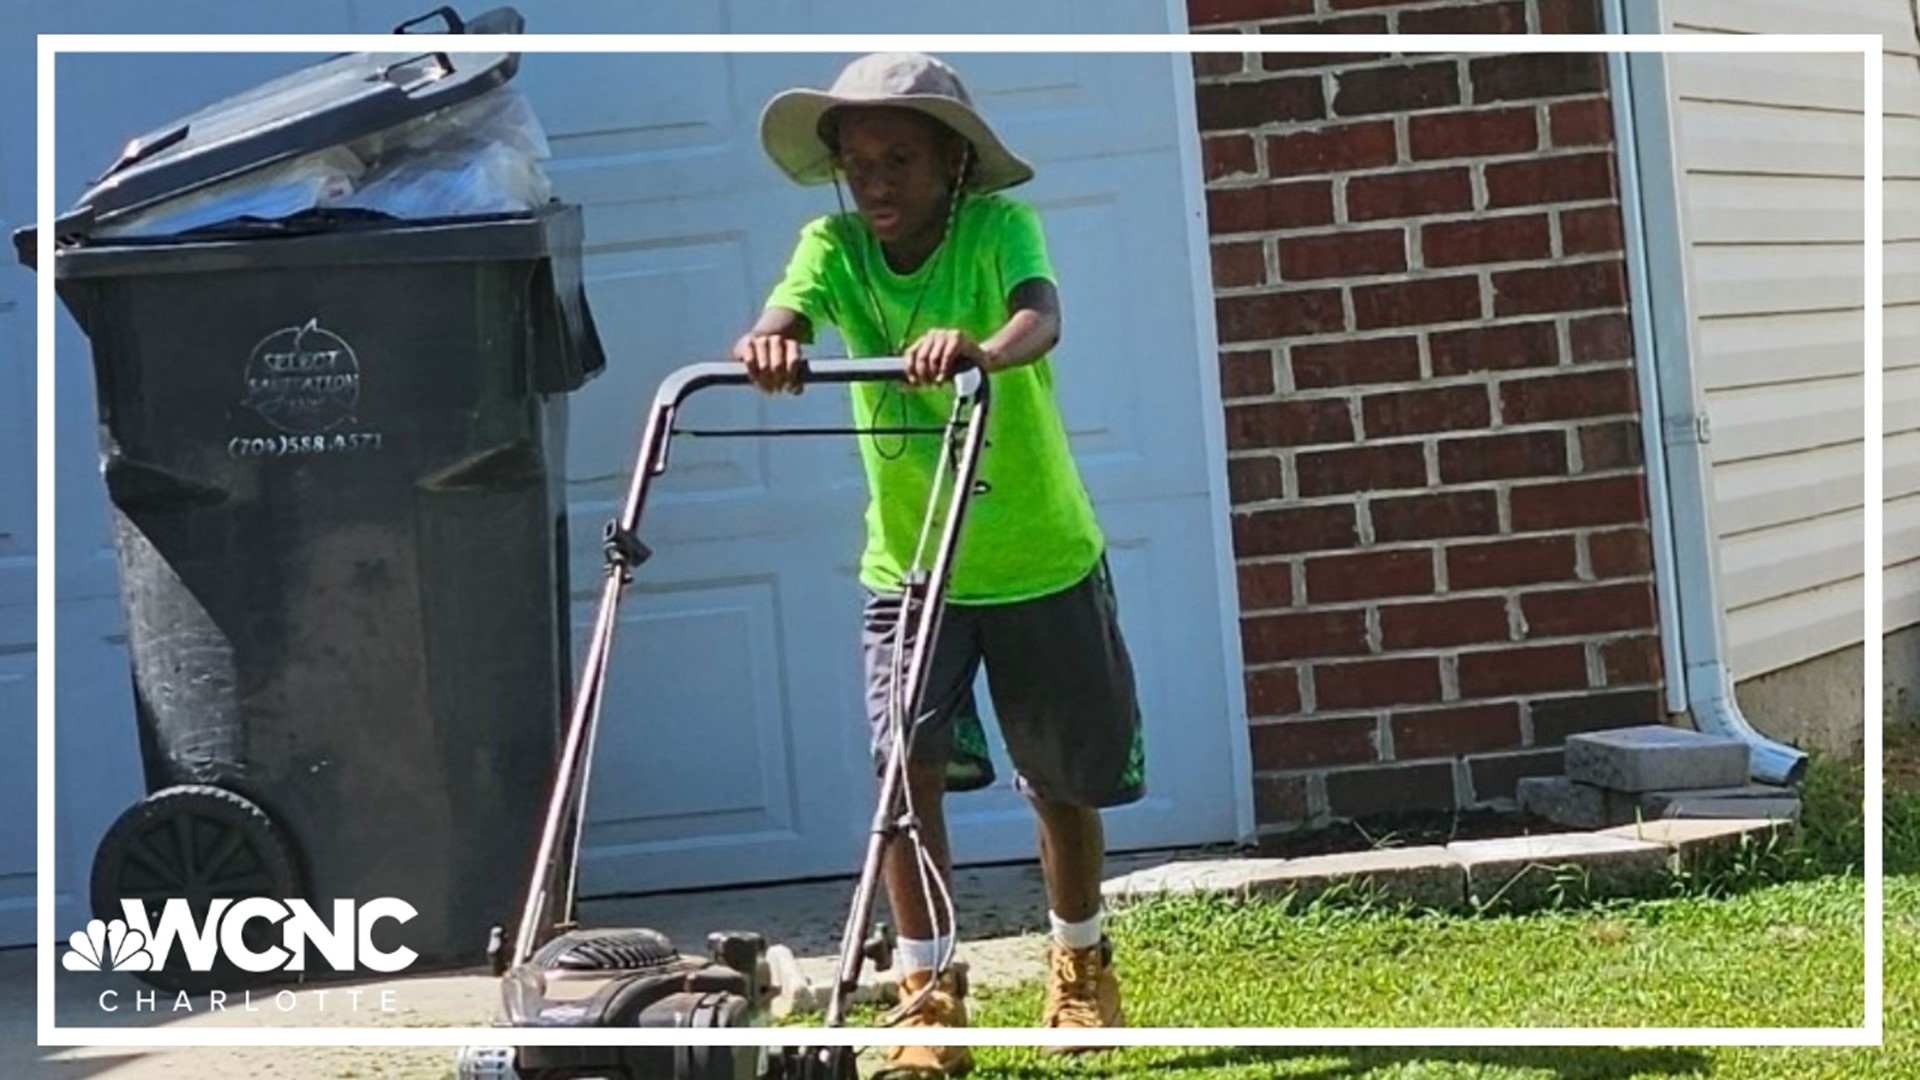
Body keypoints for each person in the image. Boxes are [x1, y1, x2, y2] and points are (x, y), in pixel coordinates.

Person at [734, 53, 1144, 1075]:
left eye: (900, 160)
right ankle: (929, 997)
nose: (876, 183)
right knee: (903, 775)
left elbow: (1039, 314)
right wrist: (770, 346)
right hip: (912, 565)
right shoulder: (830, 246)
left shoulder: (999, 231)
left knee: (1056, 779)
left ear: (953, 166)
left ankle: (1082, 967)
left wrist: (983, 349)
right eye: (859, 163)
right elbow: (784, 315)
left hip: (1035, 553)